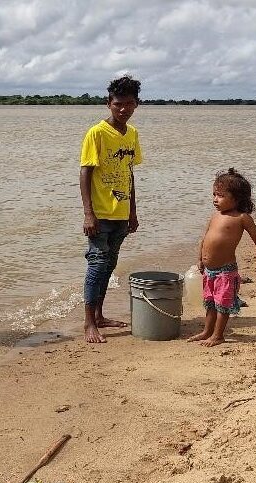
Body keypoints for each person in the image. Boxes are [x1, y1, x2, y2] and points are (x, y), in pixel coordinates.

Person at [79, 75, 143, 343]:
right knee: (96, 265)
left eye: (129, 104)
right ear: (109, 103)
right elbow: (85, 173)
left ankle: (101, 315)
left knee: (109, 265)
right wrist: (88, 213)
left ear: (136, 105)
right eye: (118, 104)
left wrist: (133, 211)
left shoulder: (132, 134)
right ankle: (89, 322)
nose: (123, 109)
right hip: (100, 215)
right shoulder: (97, 133)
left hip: (121, 213)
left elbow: (129, 174)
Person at [187, 168, 256, 347]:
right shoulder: (215, 216)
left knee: (222, 304)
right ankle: (207, 331)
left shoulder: (242, 218)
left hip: (226, 271)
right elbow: (205, 237)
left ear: (237, 198)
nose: (215, 199)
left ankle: (218, 335)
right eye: (214, 194)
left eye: (220, 195)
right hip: (209, 270)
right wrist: (200, 258)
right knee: (209, 303)